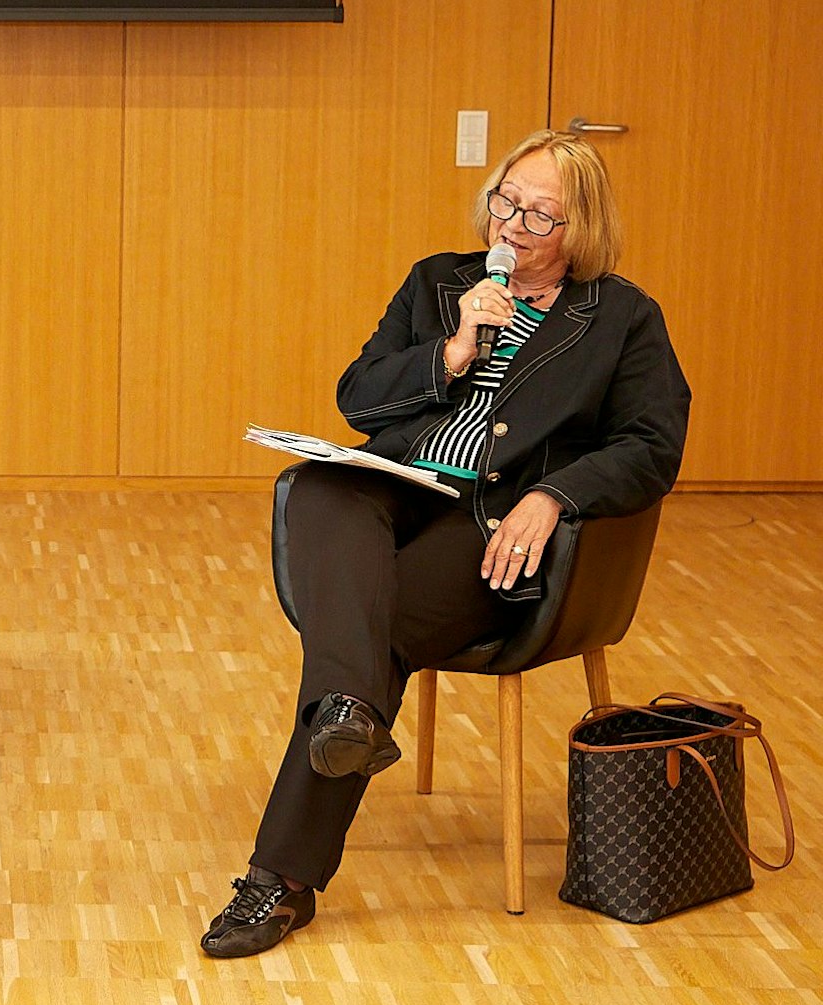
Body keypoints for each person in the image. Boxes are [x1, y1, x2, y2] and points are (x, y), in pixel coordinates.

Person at [202, 131, 690, 957]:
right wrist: (453, 350)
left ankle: (278, 881)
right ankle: (346, 715)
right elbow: (358, 394)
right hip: (400, 490)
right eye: (507, 202)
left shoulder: (623, 318)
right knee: (323, 483)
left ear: (582, 229)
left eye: (542, 214)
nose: (516, 226)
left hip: (492, 527)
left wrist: (554, 494)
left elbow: (652, 444)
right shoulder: (439, 281)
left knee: (373, 641)